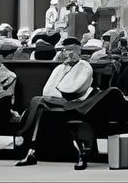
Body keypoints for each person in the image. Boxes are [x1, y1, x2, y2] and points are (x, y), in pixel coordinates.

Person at [15, 37, 96, 169]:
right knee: (39, 104)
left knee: (37, 101)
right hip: (55, 101)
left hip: (74, 102)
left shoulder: (84, 67)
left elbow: (72, 89)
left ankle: (24, 134)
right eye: (65, 50)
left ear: (78, 51)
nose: (68, 53)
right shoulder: (60, 67)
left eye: (71, 50)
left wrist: (56, 93)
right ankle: (31, 149)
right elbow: (47, 90)